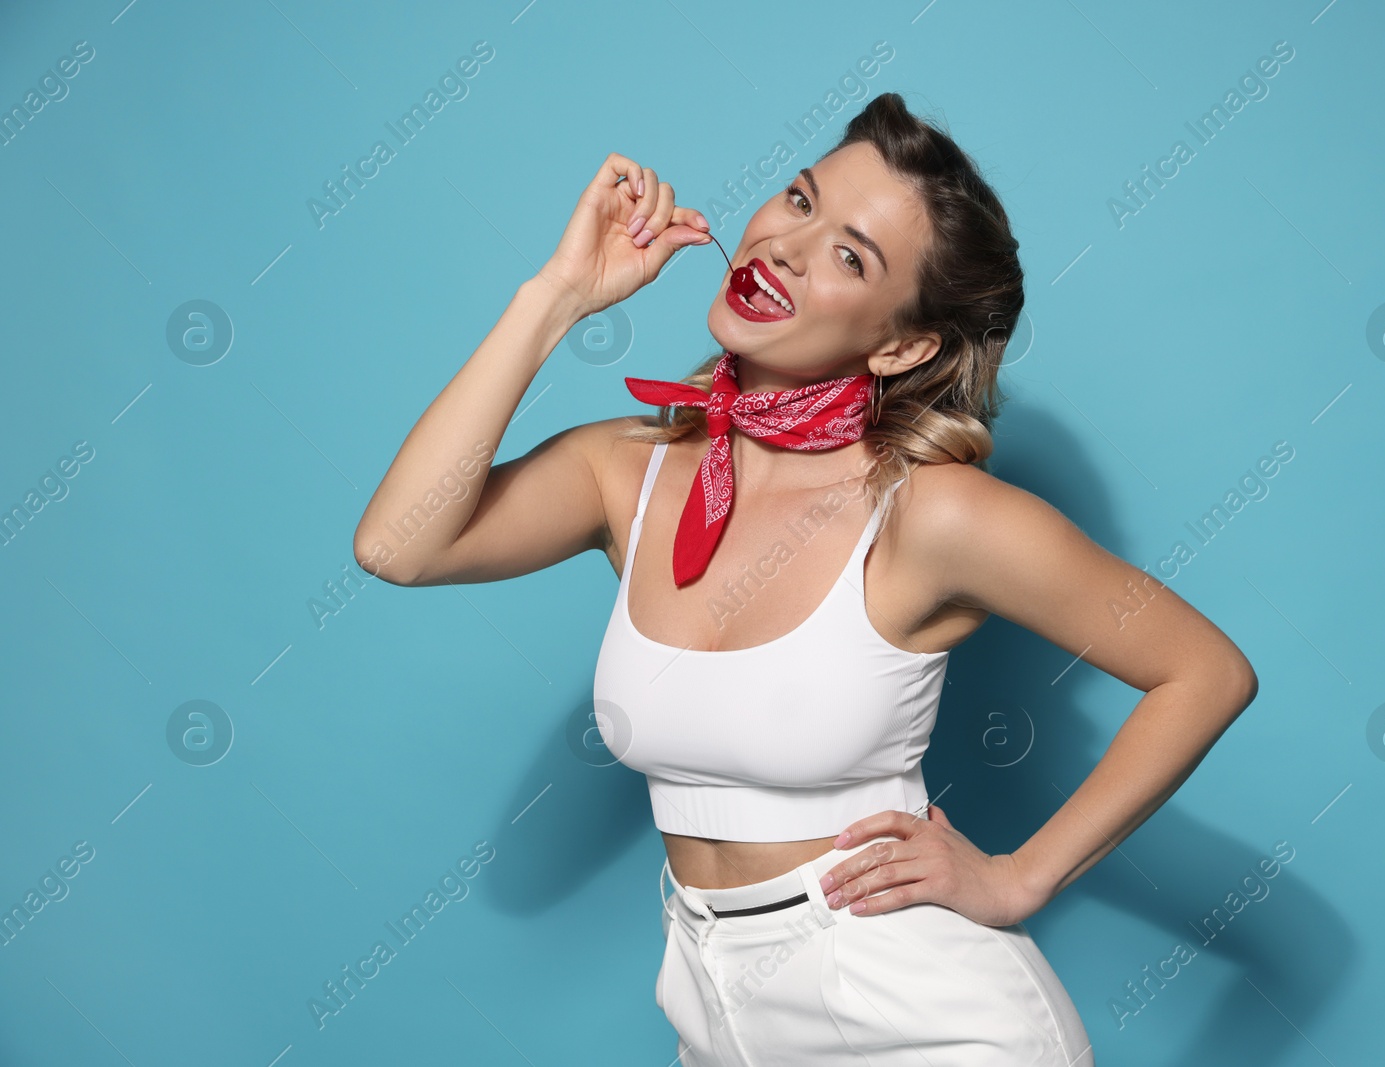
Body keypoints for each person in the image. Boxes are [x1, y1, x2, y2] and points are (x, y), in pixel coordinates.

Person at [353, 92, 1257, 1066]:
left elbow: (1204, 670)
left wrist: (1018, 877)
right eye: (798, 199)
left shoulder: (928, 514)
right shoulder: (629, 471)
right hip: (715, 1008)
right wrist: (558, 296)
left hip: (925, 1023)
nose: (786, 244)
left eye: (849, 254)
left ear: (902, 344)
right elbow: (400, 545)